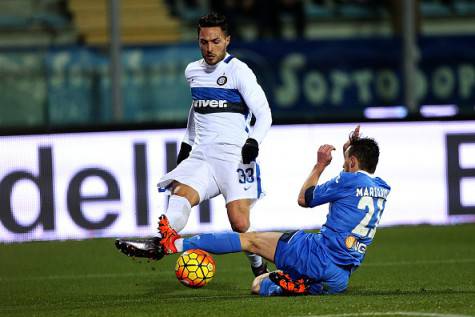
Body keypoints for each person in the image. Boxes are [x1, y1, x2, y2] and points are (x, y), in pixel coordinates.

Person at [127, 126, 391, 296]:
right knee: (258, 285)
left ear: (353, 162)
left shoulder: (348, 180)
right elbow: (355, 173)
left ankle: (175, 244)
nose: (343, 166)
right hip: (339, 278)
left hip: (316, 254)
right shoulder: (382, 188)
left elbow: (304, 198)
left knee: (249, 240)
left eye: (347, 162)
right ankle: (301, 285)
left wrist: (320, 165)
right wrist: (349, 148)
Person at [116, 12, 272, 277]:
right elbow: (197, 109)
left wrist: (253, 142)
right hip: (203, 155)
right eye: (203, 42)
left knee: (240, 222)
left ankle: (259, 267)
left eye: (215, 41)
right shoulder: (193, 71)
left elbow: (264, 113)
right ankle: (161, 241)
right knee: (180, 193)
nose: (209, 48)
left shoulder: (238, 71)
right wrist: (187, 144)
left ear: (227, 40)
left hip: (235, 156)